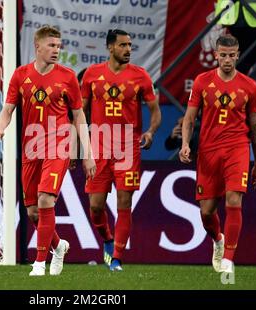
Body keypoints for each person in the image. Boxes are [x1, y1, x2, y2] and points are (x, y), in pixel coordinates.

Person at [0, 26, 96, 276]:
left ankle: (40, 263)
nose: (56, 50)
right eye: (51, 46)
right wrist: (0, 129)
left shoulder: (68, 76)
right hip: (31, 147)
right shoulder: (21, 75)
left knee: (45, 199)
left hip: (58, 145)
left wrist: (87, 153)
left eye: (59, 46)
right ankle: (58, 246)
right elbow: (8, 109)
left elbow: (79, 116)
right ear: (37, 47)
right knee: (32, 211)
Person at [179, 34, 256, 273]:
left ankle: (228, 259)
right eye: (223, 55)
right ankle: (218, 240)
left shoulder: (250, 86)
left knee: (234, 200)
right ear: (216, 55)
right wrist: (186, 144)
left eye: (231, 55)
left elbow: (255, 127)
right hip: (208, 151)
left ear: (238, 55)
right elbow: (190, 118)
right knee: (207, 212)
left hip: (237, 148)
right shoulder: (202, 82)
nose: (227, 59)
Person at [81, 29, 161, 271]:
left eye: (130, 45)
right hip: (99, 148)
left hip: (128, 148)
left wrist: (150, 132)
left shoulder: (141, 76)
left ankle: (116, 257)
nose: (128, 49)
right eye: (123, 45)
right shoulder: (92, 75)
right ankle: (107, 238)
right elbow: (81, 111)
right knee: (96, 206)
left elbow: (155, 111)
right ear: (110, 48)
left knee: (124, 201)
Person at [215, 0, 256, 74]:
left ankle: (231, 78)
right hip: (232, 14)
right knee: (239, 50)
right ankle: (231, 78)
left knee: (255, 49)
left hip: (250, 15)